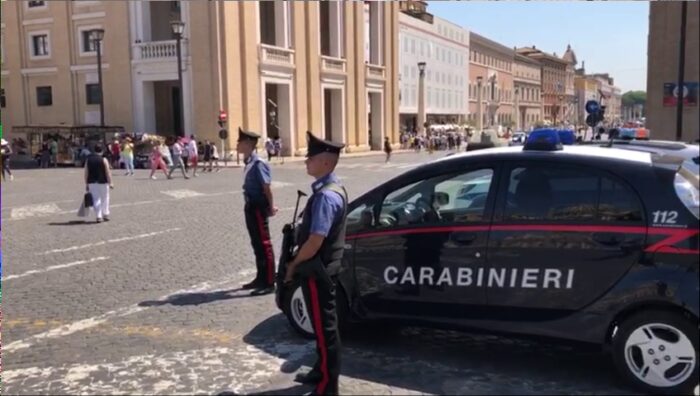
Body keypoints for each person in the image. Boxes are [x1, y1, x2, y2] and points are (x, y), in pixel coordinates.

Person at [284, 131, 348, 396]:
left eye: (310, 158)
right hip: (324, 269)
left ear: (324, 162)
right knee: (322, 327)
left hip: (317, 271)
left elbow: (315, 241)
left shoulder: (324, 197)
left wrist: (293, 264)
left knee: (325, 330)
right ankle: (320, 370)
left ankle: (327, 387)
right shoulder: (333, 188)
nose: (306, 162)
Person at [238, 128, 278, 296]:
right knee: (256, 244)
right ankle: (260, 277)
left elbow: (266, 188)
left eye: (239, 142)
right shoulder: (249, 162)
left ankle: (269, 282)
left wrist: (270, 207)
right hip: (250, 206)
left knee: (264, 244)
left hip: (258, 206)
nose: (237, 145)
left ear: (248, 144)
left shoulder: (259, 163)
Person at [84, 144, 113, 223]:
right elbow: (108, 172)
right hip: (103, 181)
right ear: (102, 151)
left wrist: (86, 183)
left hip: (92, 182)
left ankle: (98, 216)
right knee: (105, 198)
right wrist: (110, 182)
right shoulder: (104, 159)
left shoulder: (88, 160)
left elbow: (86, 173)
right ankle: (105, 214)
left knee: (96, 199)